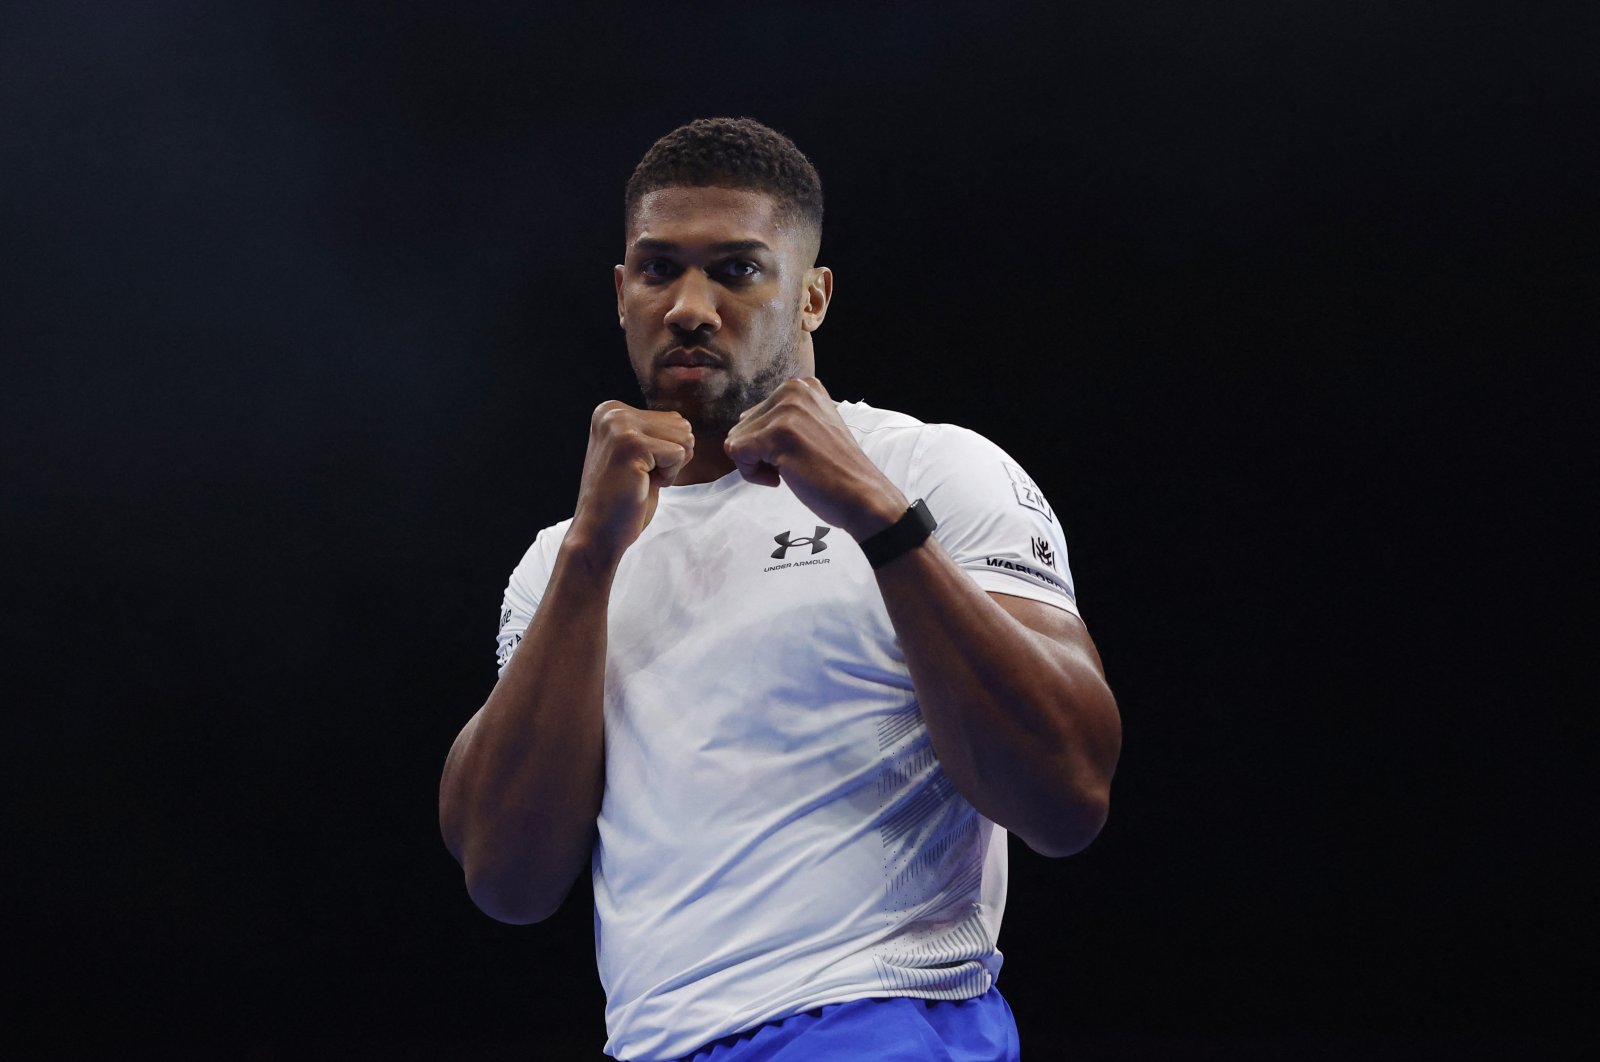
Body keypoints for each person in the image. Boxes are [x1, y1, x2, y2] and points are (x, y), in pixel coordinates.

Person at [439, 117, 1121, 1061]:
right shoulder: (564, 557)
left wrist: (884, 521)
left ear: (813, 297)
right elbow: (506, 881)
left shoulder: (933, 470)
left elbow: (1068, 796)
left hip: (878, 1018)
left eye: (736, 270)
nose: (689, 305)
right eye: (658, 269)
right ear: (621, 292)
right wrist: (590, 560)